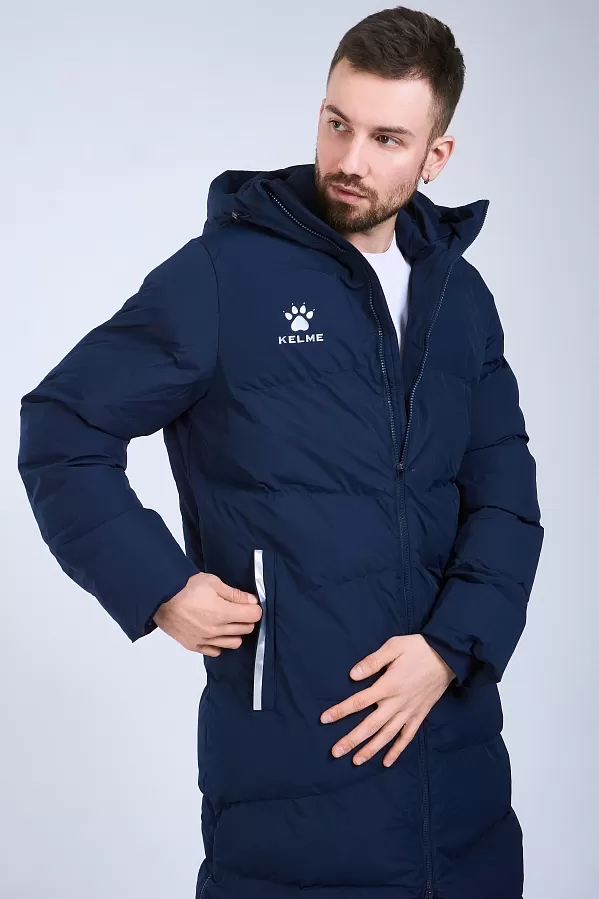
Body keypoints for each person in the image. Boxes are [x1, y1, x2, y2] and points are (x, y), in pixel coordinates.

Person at [17, 6, 544, 899]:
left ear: (436, 156)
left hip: (459, 782)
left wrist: (449, 647)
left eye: (386, 139)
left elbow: (505, 498)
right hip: (291, 771)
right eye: (336, 123)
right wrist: (160, 585)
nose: (349, 159)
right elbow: (62, 427)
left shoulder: (461, 297)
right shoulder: (225, 276)